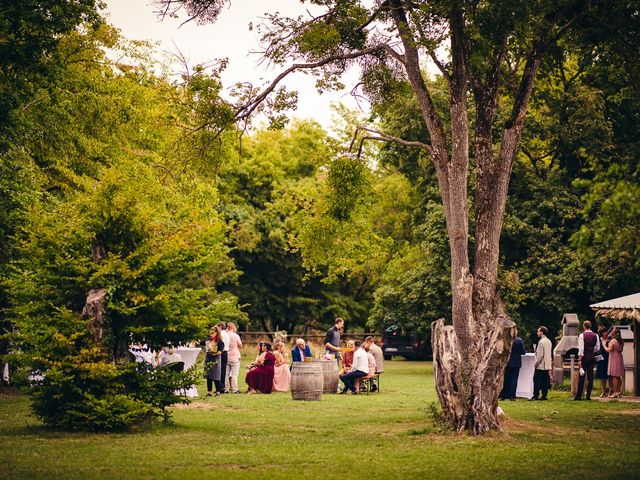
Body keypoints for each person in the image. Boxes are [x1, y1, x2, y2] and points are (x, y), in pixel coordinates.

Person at [574, 320, 600, 401]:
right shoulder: (596, 335)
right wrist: (592, 351)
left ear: (584, 326)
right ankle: (588, 396)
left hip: (584, 357)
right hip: (591, 357)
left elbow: (581, 348)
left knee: (582, 376)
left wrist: (579, 359)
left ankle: (579, 396)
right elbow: (597, 347)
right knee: (590, 377)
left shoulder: (582, 335)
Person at [500, 334, 525, 401]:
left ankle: (503, 395)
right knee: (514, 379)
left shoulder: (505, 339)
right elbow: (523, 352)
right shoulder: (519, 340)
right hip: (516, 362)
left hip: (507, 362)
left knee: (505, 379)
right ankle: (512, 396)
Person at [531, 326, 552, 401]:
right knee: (545, 381)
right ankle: (544, 395)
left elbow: (540, 355)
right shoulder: (549, 341)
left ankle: (535, 395)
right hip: (547, 365)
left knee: (536, 380)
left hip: (541, 365)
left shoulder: (541, 342)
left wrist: (536, 364)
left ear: (541, 332)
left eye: (538, 331)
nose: (537, 333)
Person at [204, 327, 225, 397]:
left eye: (213, 333)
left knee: (216, 376)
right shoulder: (208, 341)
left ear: (216, 333)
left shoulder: (220, 342)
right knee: (208, 376)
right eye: (210, 333)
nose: (211, 335)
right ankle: (209, 391)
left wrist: (217, 353)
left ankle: (218, 392)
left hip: (215, 359)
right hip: (208, 358)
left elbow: (220, 351)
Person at [604, 327, 624, 398]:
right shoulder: (621, 341)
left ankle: (615, 392)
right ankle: (618, 392)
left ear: (614, 333)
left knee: (614, 375)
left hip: (613, 357)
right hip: (619, 357)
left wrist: (604, 346)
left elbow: (609, 350)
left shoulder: (613, 341)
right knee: (618, 376)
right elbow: (621, 350)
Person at [225, 322, 243, 394]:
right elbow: (240, 345)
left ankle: (225, 389)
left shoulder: (225, 335)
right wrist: (237, 348)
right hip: (235, 356)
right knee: (234, 374)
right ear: (233, 327)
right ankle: (235, 389)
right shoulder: (236, 336)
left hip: (227, 356)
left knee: (226, 374)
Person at [595, 326, 610, 398]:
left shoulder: (609, 340)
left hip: (608, 359)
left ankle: (611, 391)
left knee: (610, 376)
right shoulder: (599, 340)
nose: (606, 333)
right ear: (601, 333)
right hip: (601, 360)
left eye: (606, 331)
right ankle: (603, 391)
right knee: (602, 377)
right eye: (604, 332)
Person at [217, 322, 230, 393]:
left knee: (218, 371)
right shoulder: (227, 334)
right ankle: (222, 387)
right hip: (226, 353)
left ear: (220, 327)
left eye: (217, 327)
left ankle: (221, 387)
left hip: (221, 353)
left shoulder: (221, 334)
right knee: (223, 371)